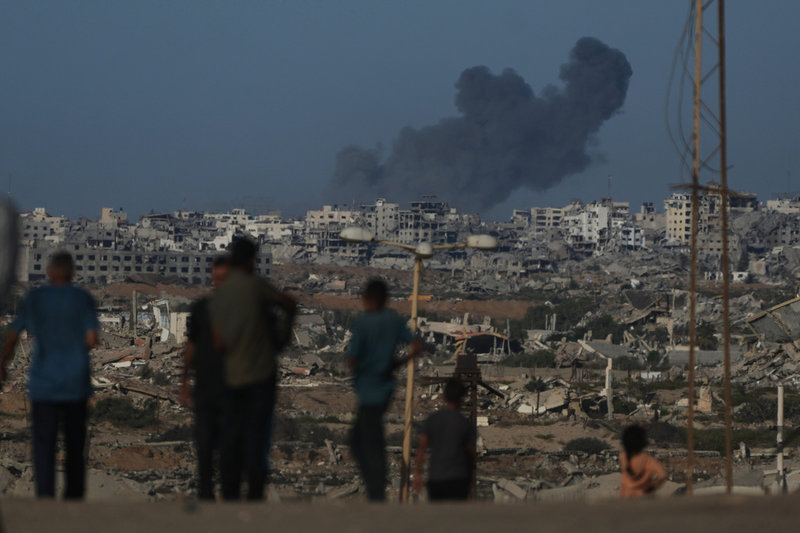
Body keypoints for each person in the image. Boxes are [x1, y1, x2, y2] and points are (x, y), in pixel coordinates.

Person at [0, 251, 99, 499]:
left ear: (48, 272)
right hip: (75, 383)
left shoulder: (34, 298)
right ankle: (73, 499)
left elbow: (12, 336)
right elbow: (92, 339)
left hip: (44, 383)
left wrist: (2, 364)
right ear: (73, 272)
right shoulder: (83, 298)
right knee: (75, 444)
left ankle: (45, 500)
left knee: (44, 445)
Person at [209, 238, 296, 501]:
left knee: (231, 436)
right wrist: (281, 340)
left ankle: (230, 492)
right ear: (251, 260)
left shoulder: (222, 292)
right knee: (258, 437)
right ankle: (255, 493)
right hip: (261, 375)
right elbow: (288, 303)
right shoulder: (257, 285)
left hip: (232, 376)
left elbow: (217, 341)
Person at [348, 278, 422, 501]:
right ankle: (376, 487)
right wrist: (397, 362)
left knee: (362, 441)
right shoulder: (393, 320)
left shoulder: (363, 323)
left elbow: (352, 359)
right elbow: (417, 344)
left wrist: (365, 368)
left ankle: (376, 489)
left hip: (368, 389)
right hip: (386, 387)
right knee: (371, 436)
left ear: (366, 299)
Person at [180, 255, 230, 500]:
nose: (217, 283)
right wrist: (183, 381)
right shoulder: (201, 308)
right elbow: (191, 346)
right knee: (204, 443)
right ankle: (206, 493)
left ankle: (229, 493)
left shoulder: (241, 310)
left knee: (230, 444)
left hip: (233, 386)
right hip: (206, 385)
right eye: (216, 278)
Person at [413, 378, 475, 501]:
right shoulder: (464, 423)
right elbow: (471, 452)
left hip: (436, 478)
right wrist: (470, 476)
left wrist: (417, 473)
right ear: (462, 398)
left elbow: (421, 449)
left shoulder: (433, 419)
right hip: (458, 479)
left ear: (444, 397)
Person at [619, 424, 667, 498]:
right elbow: (663, 475)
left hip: (626, 496)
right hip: (643, 496)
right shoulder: (648, 459)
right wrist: (653, 487)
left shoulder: (623, 456)